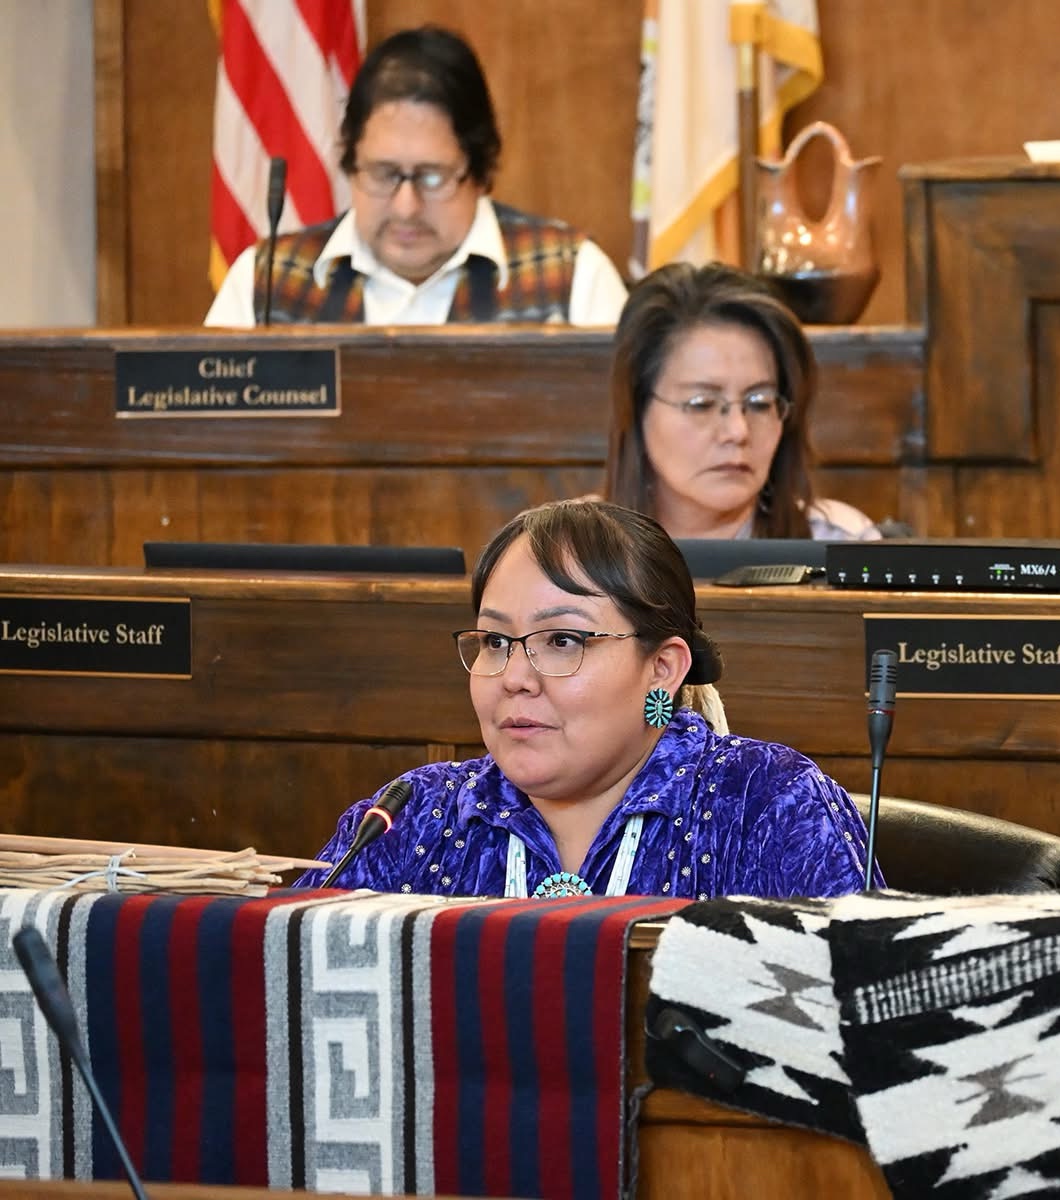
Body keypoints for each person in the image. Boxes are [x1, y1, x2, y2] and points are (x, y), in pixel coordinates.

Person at [296, 498, 879, 899]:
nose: (515, 677)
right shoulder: (413, 817)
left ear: (662, 669)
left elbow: (869, 1014)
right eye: (495, 641)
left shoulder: (766, 804)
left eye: (562, 641)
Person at [206, 26, 627, 327]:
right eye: (384, 174)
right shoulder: (265, 286)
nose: (406, 207)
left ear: (480, 172)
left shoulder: (573, 279)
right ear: (352, 163)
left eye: (431, 177)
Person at [605, 261, 882, 540]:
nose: (738, 431)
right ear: (637, 406)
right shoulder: (580, 547)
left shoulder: (839, 543)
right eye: (702, 404)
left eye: (760, 403)